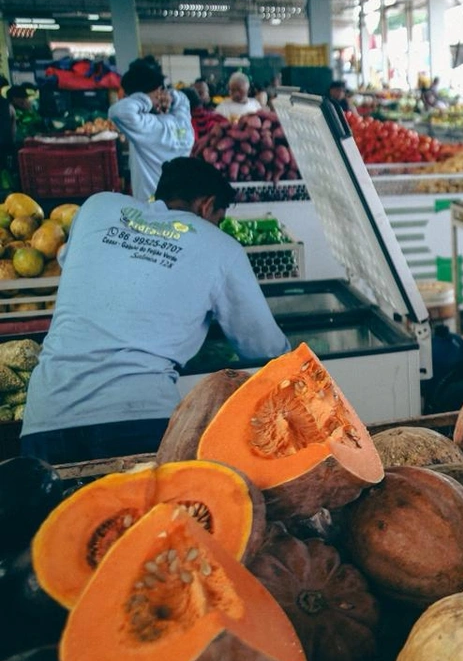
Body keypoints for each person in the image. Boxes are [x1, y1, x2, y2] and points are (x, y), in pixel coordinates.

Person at [20, 158, 290, 464]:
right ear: (207, 205)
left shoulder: (97, 206)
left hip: (46, 417)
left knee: (59, 513)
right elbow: (263, 347)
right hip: (138, 418)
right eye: (218, 218)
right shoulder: (221, 247)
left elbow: (71, 262)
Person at [109, 59, 193, 202]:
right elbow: (183, 101)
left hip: (151, 209)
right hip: (182, 204)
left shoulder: (147, 127)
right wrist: (170, 96)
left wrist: (147, 99)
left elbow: (117, 111)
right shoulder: (182, 121)